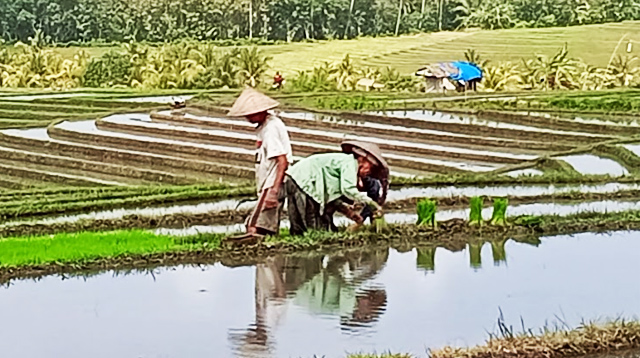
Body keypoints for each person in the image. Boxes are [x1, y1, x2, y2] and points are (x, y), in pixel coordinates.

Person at [227, 87, 292, 242]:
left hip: (272, 183)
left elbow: (282, 160)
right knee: (265, 226)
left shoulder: (270, 129)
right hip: (269, 183)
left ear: (261, 111)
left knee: (254, 226)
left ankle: (264, 260)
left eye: (250, 114)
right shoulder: (267, 126)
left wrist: (274, 191)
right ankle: (270, 257)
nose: (247, 118)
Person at [285, 140, 388, 235]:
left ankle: (300, 243)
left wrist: (350, 213)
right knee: (311, 224)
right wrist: (371, 203)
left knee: (299, 222)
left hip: (295, 177)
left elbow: (332, 199)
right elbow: (348, 189)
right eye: (370, 168)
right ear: (363, 160)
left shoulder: (344, 164)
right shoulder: (350, 164)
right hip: (305, 179)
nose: (368, 173)